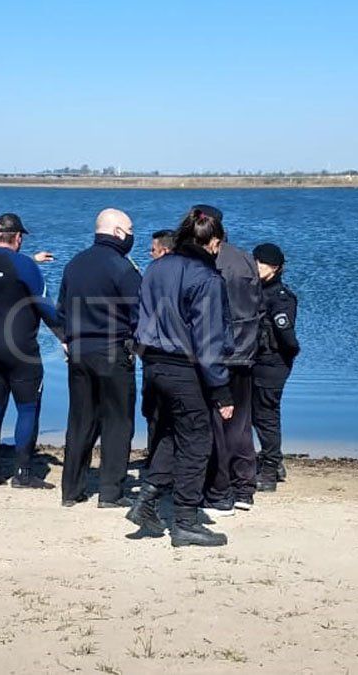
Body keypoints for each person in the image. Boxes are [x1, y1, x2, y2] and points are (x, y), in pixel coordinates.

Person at [127, 207, 234, 548]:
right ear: (213, 242)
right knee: (197, 442)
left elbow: (139, 316)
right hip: (182, 366)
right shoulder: (207, 278)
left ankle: (146, 500)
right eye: (219, 246)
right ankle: (185, 521)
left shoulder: (156, 267)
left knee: (172, 434)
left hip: (152, 364)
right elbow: (209, 339)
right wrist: (222, 389)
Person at [0, 213, 63, 488]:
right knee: (27, 409)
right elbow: (45, 307)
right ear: (18, 238)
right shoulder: (25, 265)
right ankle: (23, 474)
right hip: (20, 349)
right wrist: (66, 337)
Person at [57, 208, 142, 508]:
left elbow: (61, 310)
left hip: (79, 352)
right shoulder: (122, 267)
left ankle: (71, 490)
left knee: (80, 420)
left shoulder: (74, 264)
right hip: (112, 350)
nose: (133, 234)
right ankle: (110, 492)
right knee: (118, 422)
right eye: (130, 229)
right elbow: (140, 313)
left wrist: (67, 339)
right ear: (118, 232)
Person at [202, 204, 263, 514]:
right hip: (246, 350)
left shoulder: (213, 263)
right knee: (240, 424)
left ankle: (222, 489)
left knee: (218, 425)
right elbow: (257, 304)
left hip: (222, 352)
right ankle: (244, 488)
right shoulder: (246, 259)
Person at [251, 243, 299, 491]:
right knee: (251, 414)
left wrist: (287, 356)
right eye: (256, 261)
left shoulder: (281, 297)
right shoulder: (253, 291)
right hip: (253, 361)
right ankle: (274, 462)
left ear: (277, 267)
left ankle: (269, 471)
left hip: (272, 363)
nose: (258, 266)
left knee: (266, 416)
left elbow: (286, 335)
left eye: (264, 263)